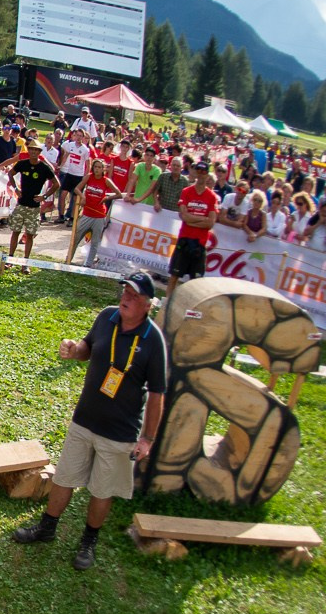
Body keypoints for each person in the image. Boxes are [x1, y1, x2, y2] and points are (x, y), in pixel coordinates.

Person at [12, 271, 169, 570]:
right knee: (65, 477)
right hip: (84, 419)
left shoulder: (153, 341)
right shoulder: (107, 317)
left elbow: (158, 394)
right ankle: (47, 527)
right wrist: (75, 349)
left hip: (120, 432)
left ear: (149, 304)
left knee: (102, 489)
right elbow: (88, 346)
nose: (126, 297)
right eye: (125, 291)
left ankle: (88, 541)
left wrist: (148, 438)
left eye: (134, 296)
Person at [2, 136, 58, 267]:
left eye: (36, 150)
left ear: (39, 152)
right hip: (21, 203)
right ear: (29, 150)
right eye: (31, 149)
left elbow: (56, 184)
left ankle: (25, 262)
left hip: (34, 207)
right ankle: (10, 259)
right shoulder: (23, 163)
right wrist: (16, 188)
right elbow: (10, 173)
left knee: (30, 235)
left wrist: (44, 196)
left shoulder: (44, 168)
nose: (33, 152)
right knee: (15, 231)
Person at [166, 161, 219, 298]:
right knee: (174, 276)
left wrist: (192, 218)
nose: (201, 174)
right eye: (198, 171)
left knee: (195, 282)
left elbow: (210, 223)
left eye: (204, 172)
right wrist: (202, 219)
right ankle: (167, 303)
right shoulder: (186, 192)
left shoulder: (212, 197)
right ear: (194, 172)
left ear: (207, 175)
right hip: (184, 239)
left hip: (200, 243)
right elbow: (184, 216)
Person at [66, 157, 122, 268]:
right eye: (95, 167)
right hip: (87, 213)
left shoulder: (106, 180)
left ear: (103, 169)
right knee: (76, 237)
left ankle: (88, 264)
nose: (97, 169)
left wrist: (106, 198)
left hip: (99, 215)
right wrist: (83, 196)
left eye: (99, 167)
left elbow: (119, 194)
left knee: (95, 242)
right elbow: (77, 188)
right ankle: (68, 260)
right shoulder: (89, 177)